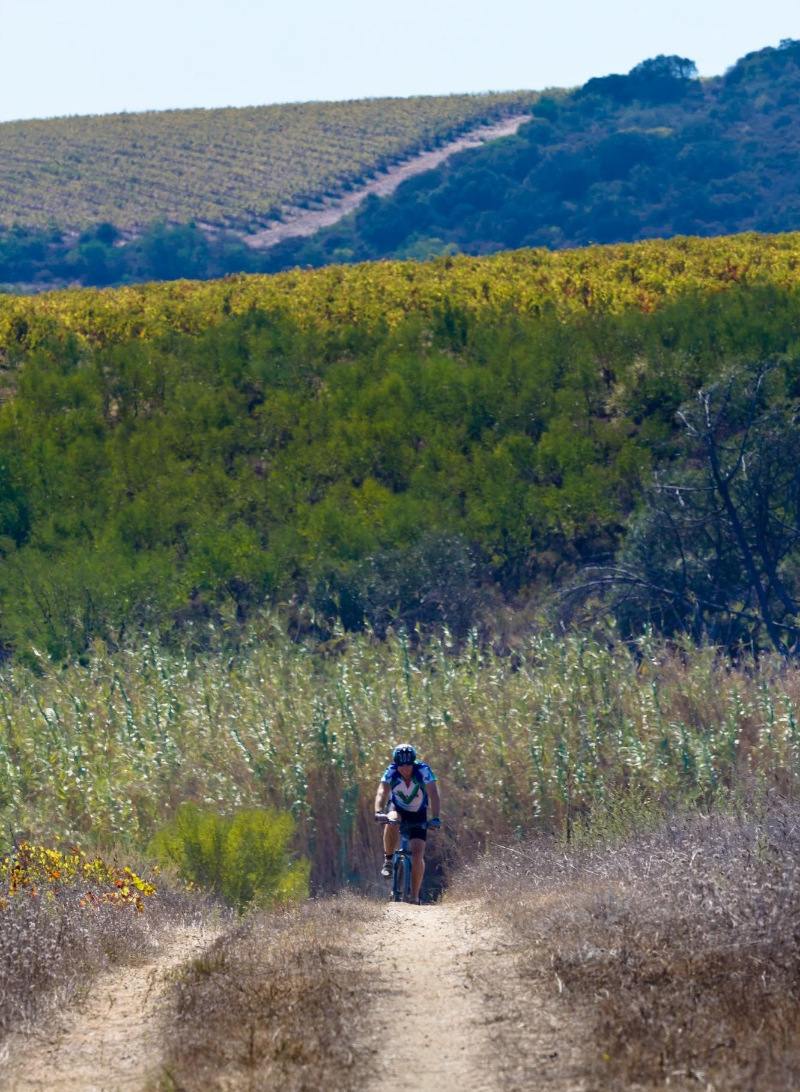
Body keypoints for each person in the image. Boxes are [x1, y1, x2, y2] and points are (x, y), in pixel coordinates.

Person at [374, 743, 440, 904]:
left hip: (419, 814)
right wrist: (378, 811)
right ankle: (388, 860)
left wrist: (436, 817)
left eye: (408, 766)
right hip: (398, 809)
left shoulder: (423, 770)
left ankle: (414, 897)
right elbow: (382, 791)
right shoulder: (391, 771)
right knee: (392, 820)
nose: (405, 770)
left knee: (417, 854)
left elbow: (433, 794)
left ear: (413, 763)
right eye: (401, 767)